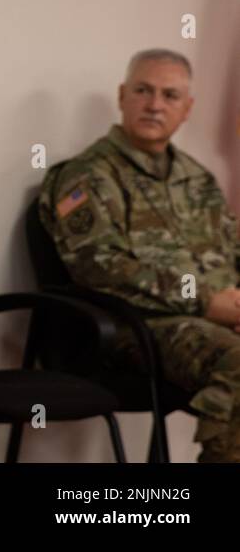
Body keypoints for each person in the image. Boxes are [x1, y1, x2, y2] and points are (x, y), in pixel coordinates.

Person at [39, 48, 240, 462]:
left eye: (169, 95)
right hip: (134, 326)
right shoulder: (88, 175)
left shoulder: (196, 178)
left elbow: (232, 249)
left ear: (187, 109)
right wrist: (205, 302)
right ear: (122, 95)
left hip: (213, 318)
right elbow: (99, 268)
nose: (154, 104)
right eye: (143, 90)